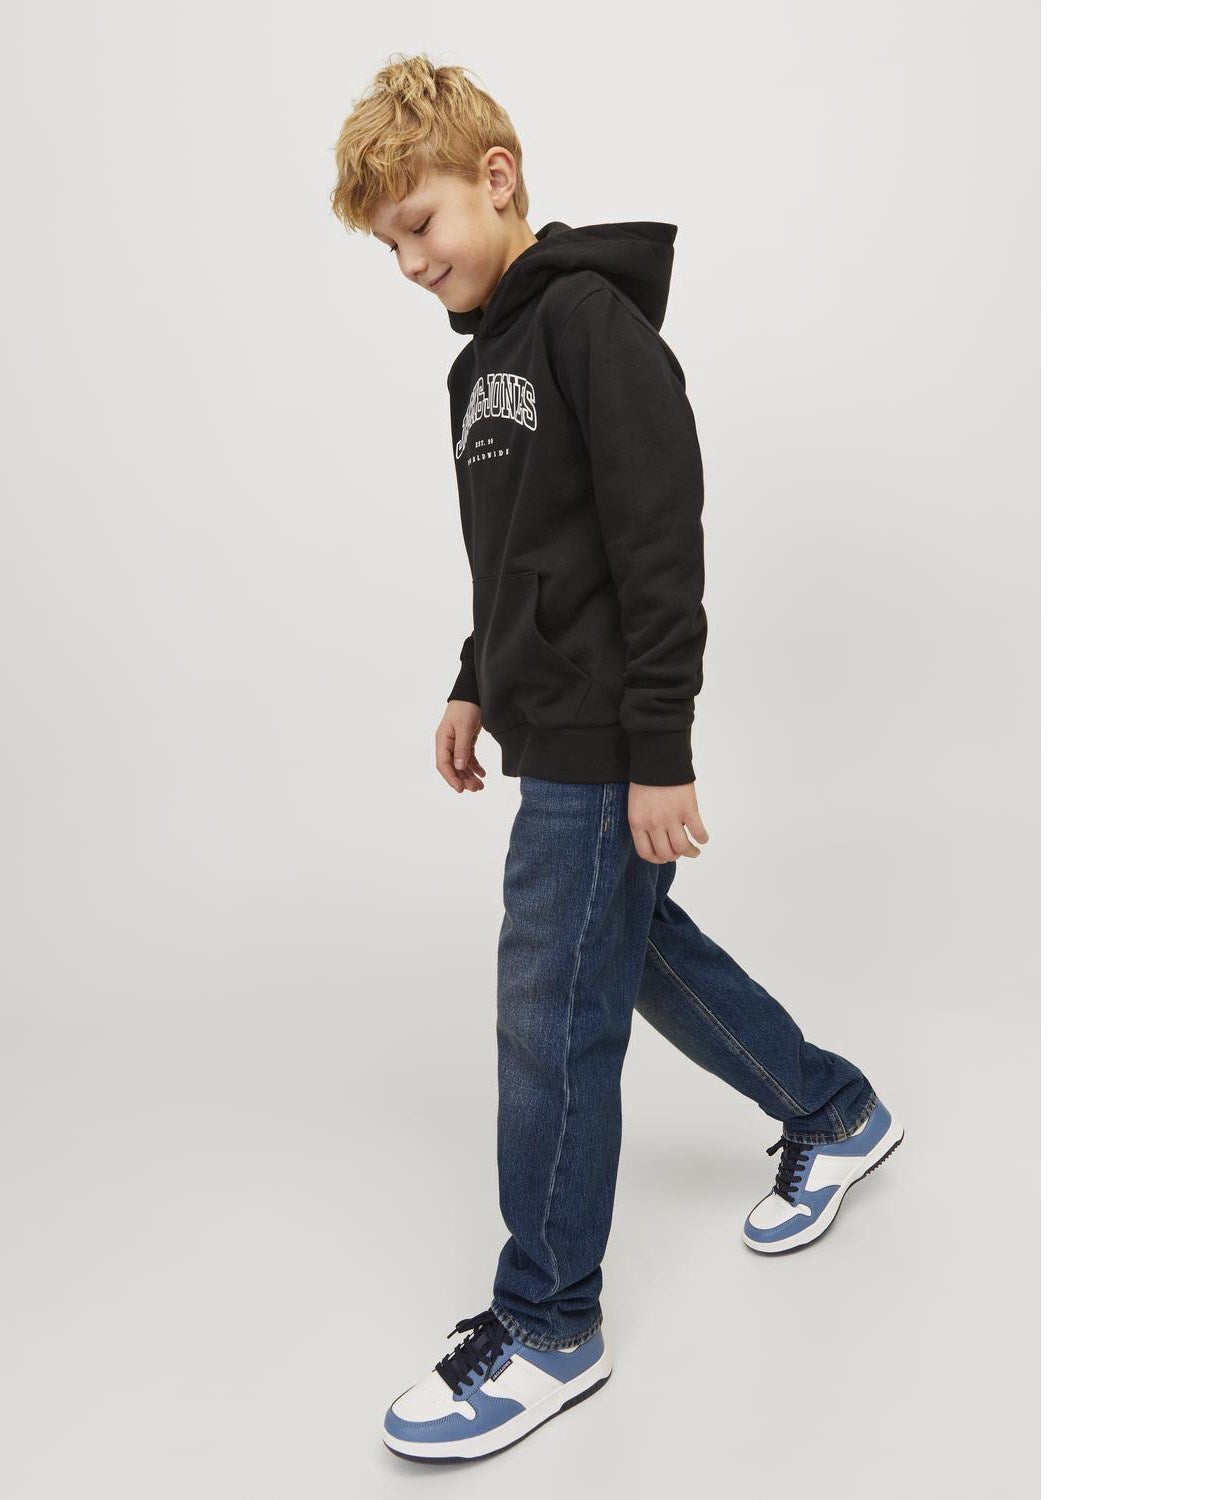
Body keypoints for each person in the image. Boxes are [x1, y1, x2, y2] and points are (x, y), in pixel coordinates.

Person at [330, 54, 903, 1465]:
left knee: (552, 1006)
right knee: (631, 951)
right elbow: (515, 558)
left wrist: (662, 750)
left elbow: (658, 549)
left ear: (497, 179)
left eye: (421, 225)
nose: (411, 263)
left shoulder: (594, 325)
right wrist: (475, 678)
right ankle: (835, 1110)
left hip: (607, 738)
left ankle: (547, 1323)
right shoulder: (479, 366)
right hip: (549, 723)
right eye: (390, 245)